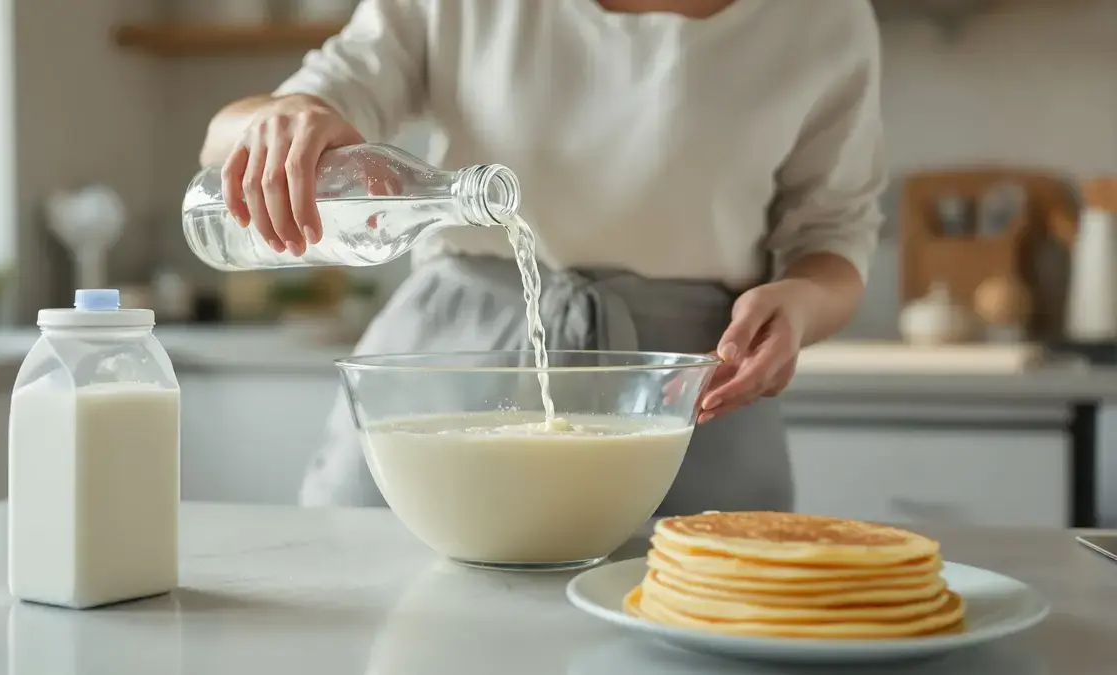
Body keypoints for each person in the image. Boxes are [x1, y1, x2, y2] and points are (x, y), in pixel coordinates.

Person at [200, 0, 885, 514]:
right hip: (453, 372)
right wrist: (286, 121)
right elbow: (229, 136)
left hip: (692, 399)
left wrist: (801, 306)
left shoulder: (824, 19)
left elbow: (835, 236)